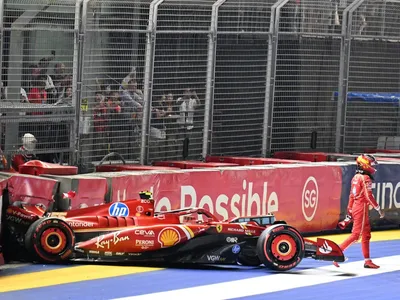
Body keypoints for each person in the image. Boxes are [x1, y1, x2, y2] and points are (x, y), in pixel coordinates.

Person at [333, 154, 384, 269]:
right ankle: (336, 253)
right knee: (356, 235)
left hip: (357, 207)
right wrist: (378, 209)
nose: (372, 166)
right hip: (361, 208)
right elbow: (368, 196)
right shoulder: (365, 178)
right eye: (370, 163)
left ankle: (367, 260)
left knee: (366, 234)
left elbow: (351, 195)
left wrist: (350, 210)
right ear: (365, 165)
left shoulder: (355, 177)